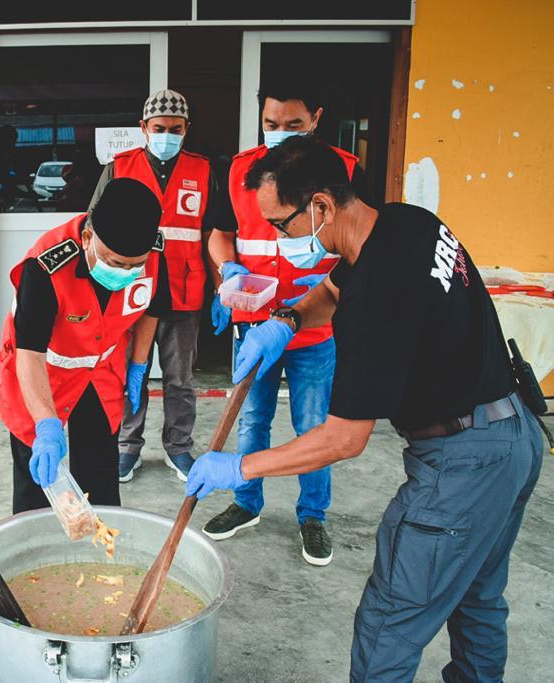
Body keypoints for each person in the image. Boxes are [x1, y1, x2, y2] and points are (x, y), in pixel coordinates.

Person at [187, 136, 545, 681]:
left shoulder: (379, 299)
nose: (279, 237)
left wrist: (238, 468)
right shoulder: (403, 223)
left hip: (462, 464)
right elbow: (330, 291)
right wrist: (282, 323)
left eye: (281, 224)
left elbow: (343, 439)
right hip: (515, 435)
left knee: (389, 623)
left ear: (322, 206)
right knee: (476, 601)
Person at [204, 80, 375, 565]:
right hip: (255, 323)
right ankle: (246, 502)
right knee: (252, 419)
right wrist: (227, 271)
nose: (281, 134)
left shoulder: (345, 170)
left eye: (293, 126)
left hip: (316, 327)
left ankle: (313, 515)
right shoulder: (241, 171)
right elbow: (220, 236)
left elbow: (364, 251)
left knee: (314, 423)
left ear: (316, 119)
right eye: (271, 125)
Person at [0, 178, 171, 512]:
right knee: (41, 476)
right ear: (88, 238)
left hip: (100, 370)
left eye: (136, 264)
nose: (127, 272)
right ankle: (36, 549)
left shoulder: (155, 252)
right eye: (117, 262)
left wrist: (138, 365)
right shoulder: (45, 268)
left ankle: (99, 550)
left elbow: (153, 308)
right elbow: (29, 353)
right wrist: (46, 424)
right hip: (43, 373)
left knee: (99, 473)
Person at [89, 88, 218, 484]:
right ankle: (128, 446)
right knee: (133, 372)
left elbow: (213, 232)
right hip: (131, 290)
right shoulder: (119, 168)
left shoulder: (203, 170)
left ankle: (179, 447)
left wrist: (221, 286)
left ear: (186, 130)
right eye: (159, 128)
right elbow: (94, 225)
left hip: (183, 292)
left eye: (175, 129)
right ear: (144, 128)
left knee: (180, 378)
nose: (167, 135)